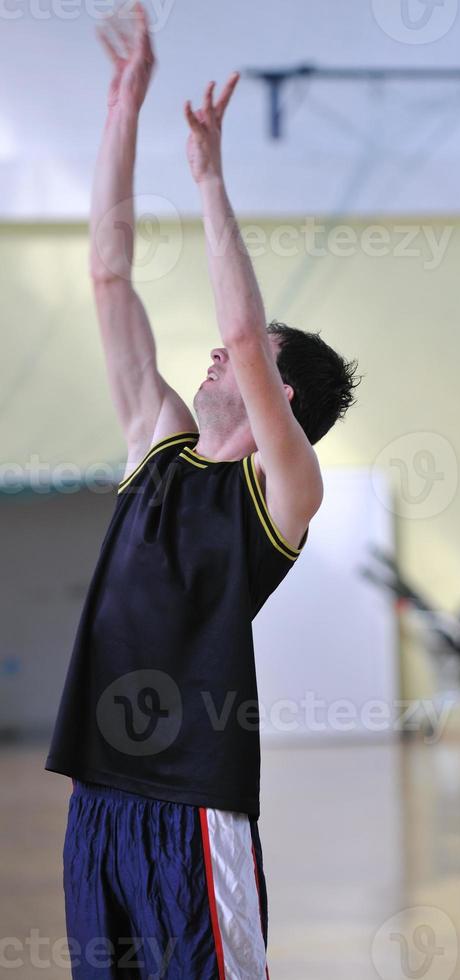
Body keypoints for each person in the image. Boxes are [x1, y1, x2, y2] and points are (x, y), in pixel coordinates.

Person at [44, 5, 360, 977]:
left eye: (249, 352)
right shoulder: (158, 441)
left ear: (284, 392)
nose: (221, 347)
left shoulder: (282, 486)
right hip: (100, 788)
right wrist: (122, 109)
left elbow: (240, 316)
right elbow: (108, 272)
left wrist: (212, 180)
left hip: (195, 796)